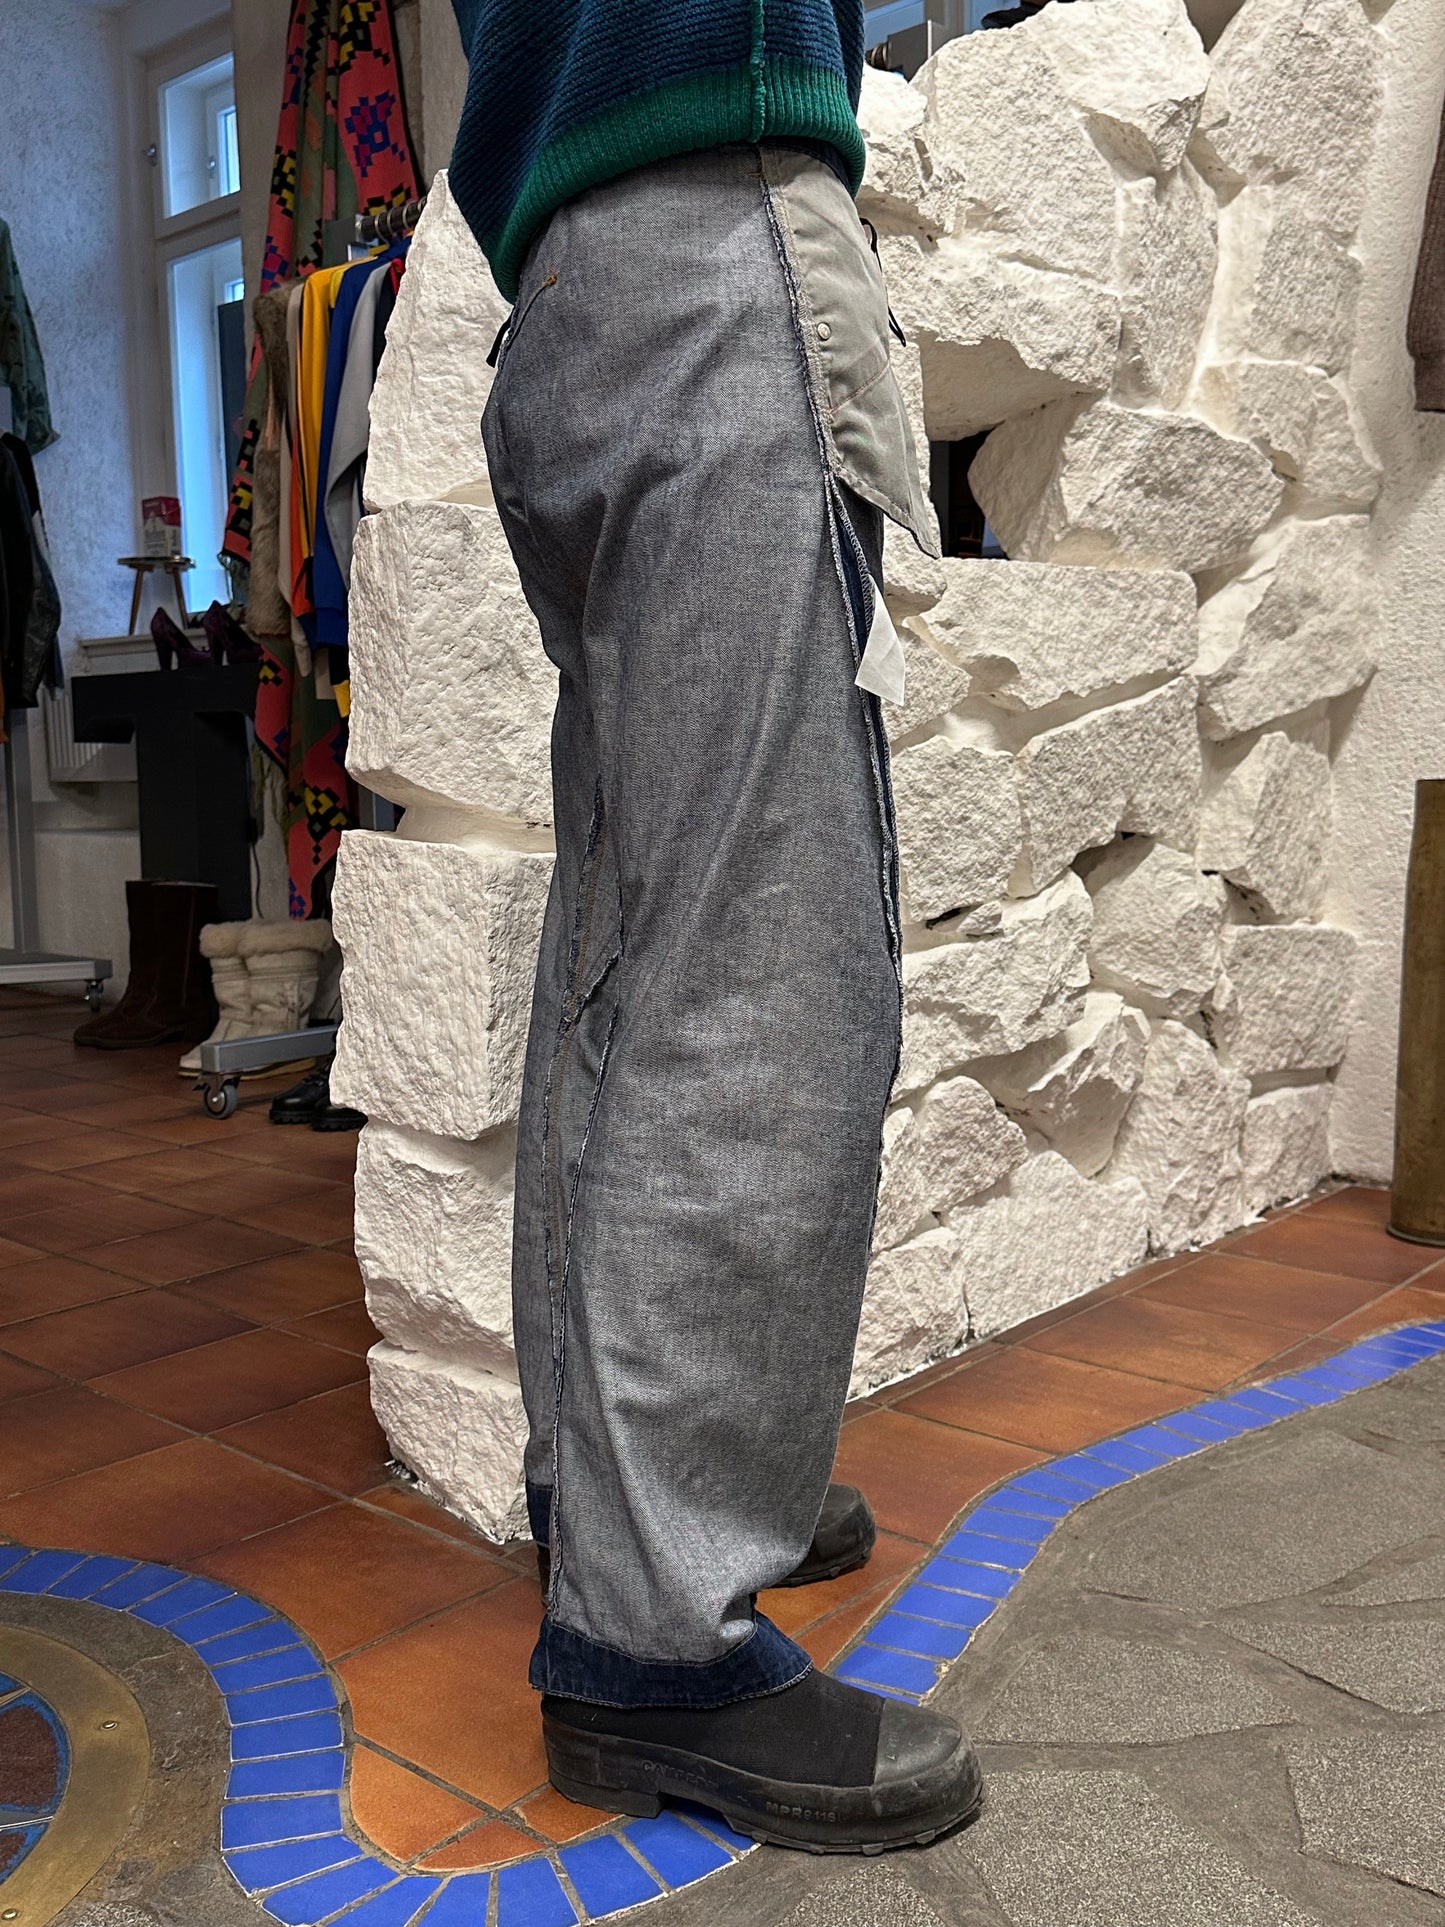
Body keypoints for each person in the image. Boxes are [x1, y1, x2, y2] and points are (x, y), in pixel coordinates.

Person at [445, 0, 983, 1853]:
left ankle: (608, 1497)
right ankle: (655, 1629)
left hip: (567, 291)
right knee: (760, 959)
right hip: (711, 237)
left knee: (629, 946)